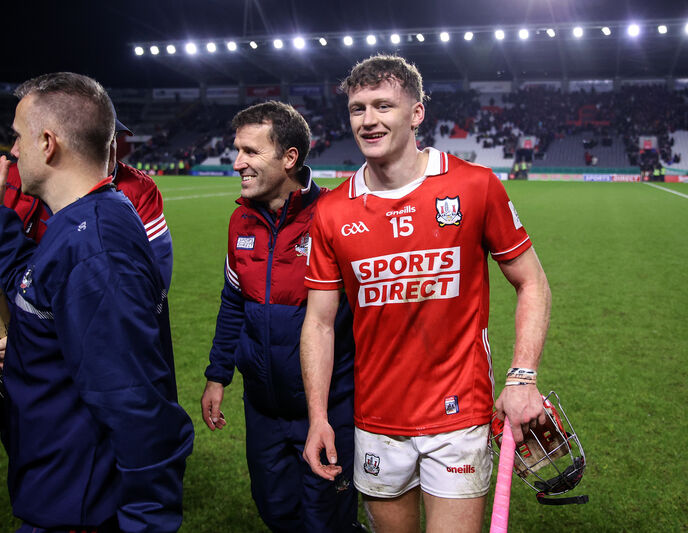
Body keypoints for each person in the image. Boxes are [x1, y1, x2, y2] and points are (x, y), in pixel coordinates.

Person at [301, 55, 551, 533]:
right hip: (375, 418)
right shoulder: (332, 212)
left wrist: (522, 377)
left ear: (416, 113)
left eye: (383, 106)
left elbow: (532, 281)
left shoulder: (474, 186)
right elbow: (318, 322)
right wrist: (318, 416)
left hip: (459, 417)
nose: (368, 120)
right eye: (357, 109)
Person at [0, 72, 193, 532]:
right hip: (64, 487)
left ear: (48, 143)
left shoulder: (95, 247)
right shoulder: (84, 221)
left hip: (81, 503)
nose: (14, 151)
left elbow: (136, 406)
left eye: (18, 137)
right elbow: (36, 286)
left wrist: (146, 522)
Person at [200, 101, 362, 532]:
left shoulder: (334, 216)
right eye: (238, 151)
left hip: (330, 410)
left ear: (290, 158)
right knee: (275, 510)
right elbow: (233, 302)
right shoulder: (240, 221)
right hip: (264, 410)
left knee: (327, 519)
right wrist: (218, 376)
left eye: (250, 152)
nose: (238, 163)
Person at [0, 103, 172, 367]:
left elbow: (143, 296)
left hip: (95, 365)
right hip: (11, 372)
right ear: (55, 143)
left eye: (111, 139)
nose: (108, 151)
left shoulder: (138, 191)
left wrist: (30, 336)